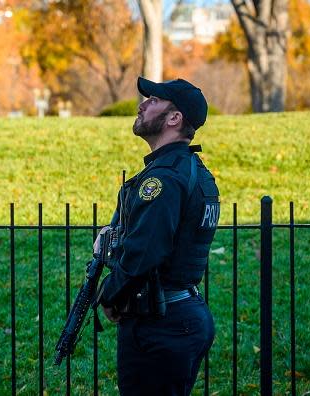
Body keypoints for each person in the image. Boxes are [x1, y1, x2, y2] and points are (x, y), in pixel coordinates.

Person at [94, 76, 220, 396]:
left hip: (162, 326)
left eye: (153, 101)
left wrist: (110, 294)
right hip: (183, 316)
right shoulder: (191, 169)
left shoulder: (163, 179)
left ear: (174, 118)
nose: (142, 104)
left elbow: (146, 252)